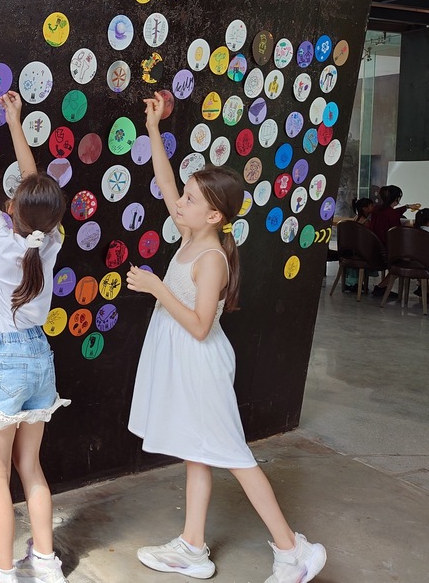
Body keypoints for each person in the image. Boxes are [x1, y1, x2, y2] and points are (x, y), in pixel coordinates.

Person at [126, 92, 326, 583]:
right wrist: (153, 128)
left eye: (190, 200)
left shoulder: (211, 258)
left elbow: (199, 325)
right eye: (184, 197)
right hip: (184, 360)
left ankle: (294, 551)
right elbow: (165, 181)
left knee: (234, 456)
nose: (179, 203)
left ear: (214, 216)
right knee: (198, 453)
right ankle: (192, 546)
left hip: (200, 363)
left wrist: (156, 288)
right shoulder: (190, 235)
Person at [0, 90, 71, 583]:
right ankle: (46, 563)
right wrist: (16, 121)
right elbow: (34, 183)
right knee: (31, 466)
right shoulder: (50, 242)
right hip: (40, 359)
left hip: (4, 362)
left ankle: (2, 573)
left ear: (12, 208)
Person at [370, 186, 421, 297]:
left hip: (374, 247)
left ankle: (381, 287)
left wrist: (406, 207)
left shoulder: (376, 209)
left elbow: (391, 212)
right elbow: (396, 234)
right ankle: (381, 287)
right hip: (385, 250)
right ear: (397, 198)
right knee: (410, 259)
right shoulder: (391, 214)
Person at [342, 198, 374, 292]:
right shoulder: (366, 222)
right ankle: (356, 283)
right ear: (365, 208)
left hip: (351, 249)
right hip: (359, 251)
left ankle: (351, 283)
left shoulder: (356, 218)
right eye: (371, 206)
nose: (373, 207)